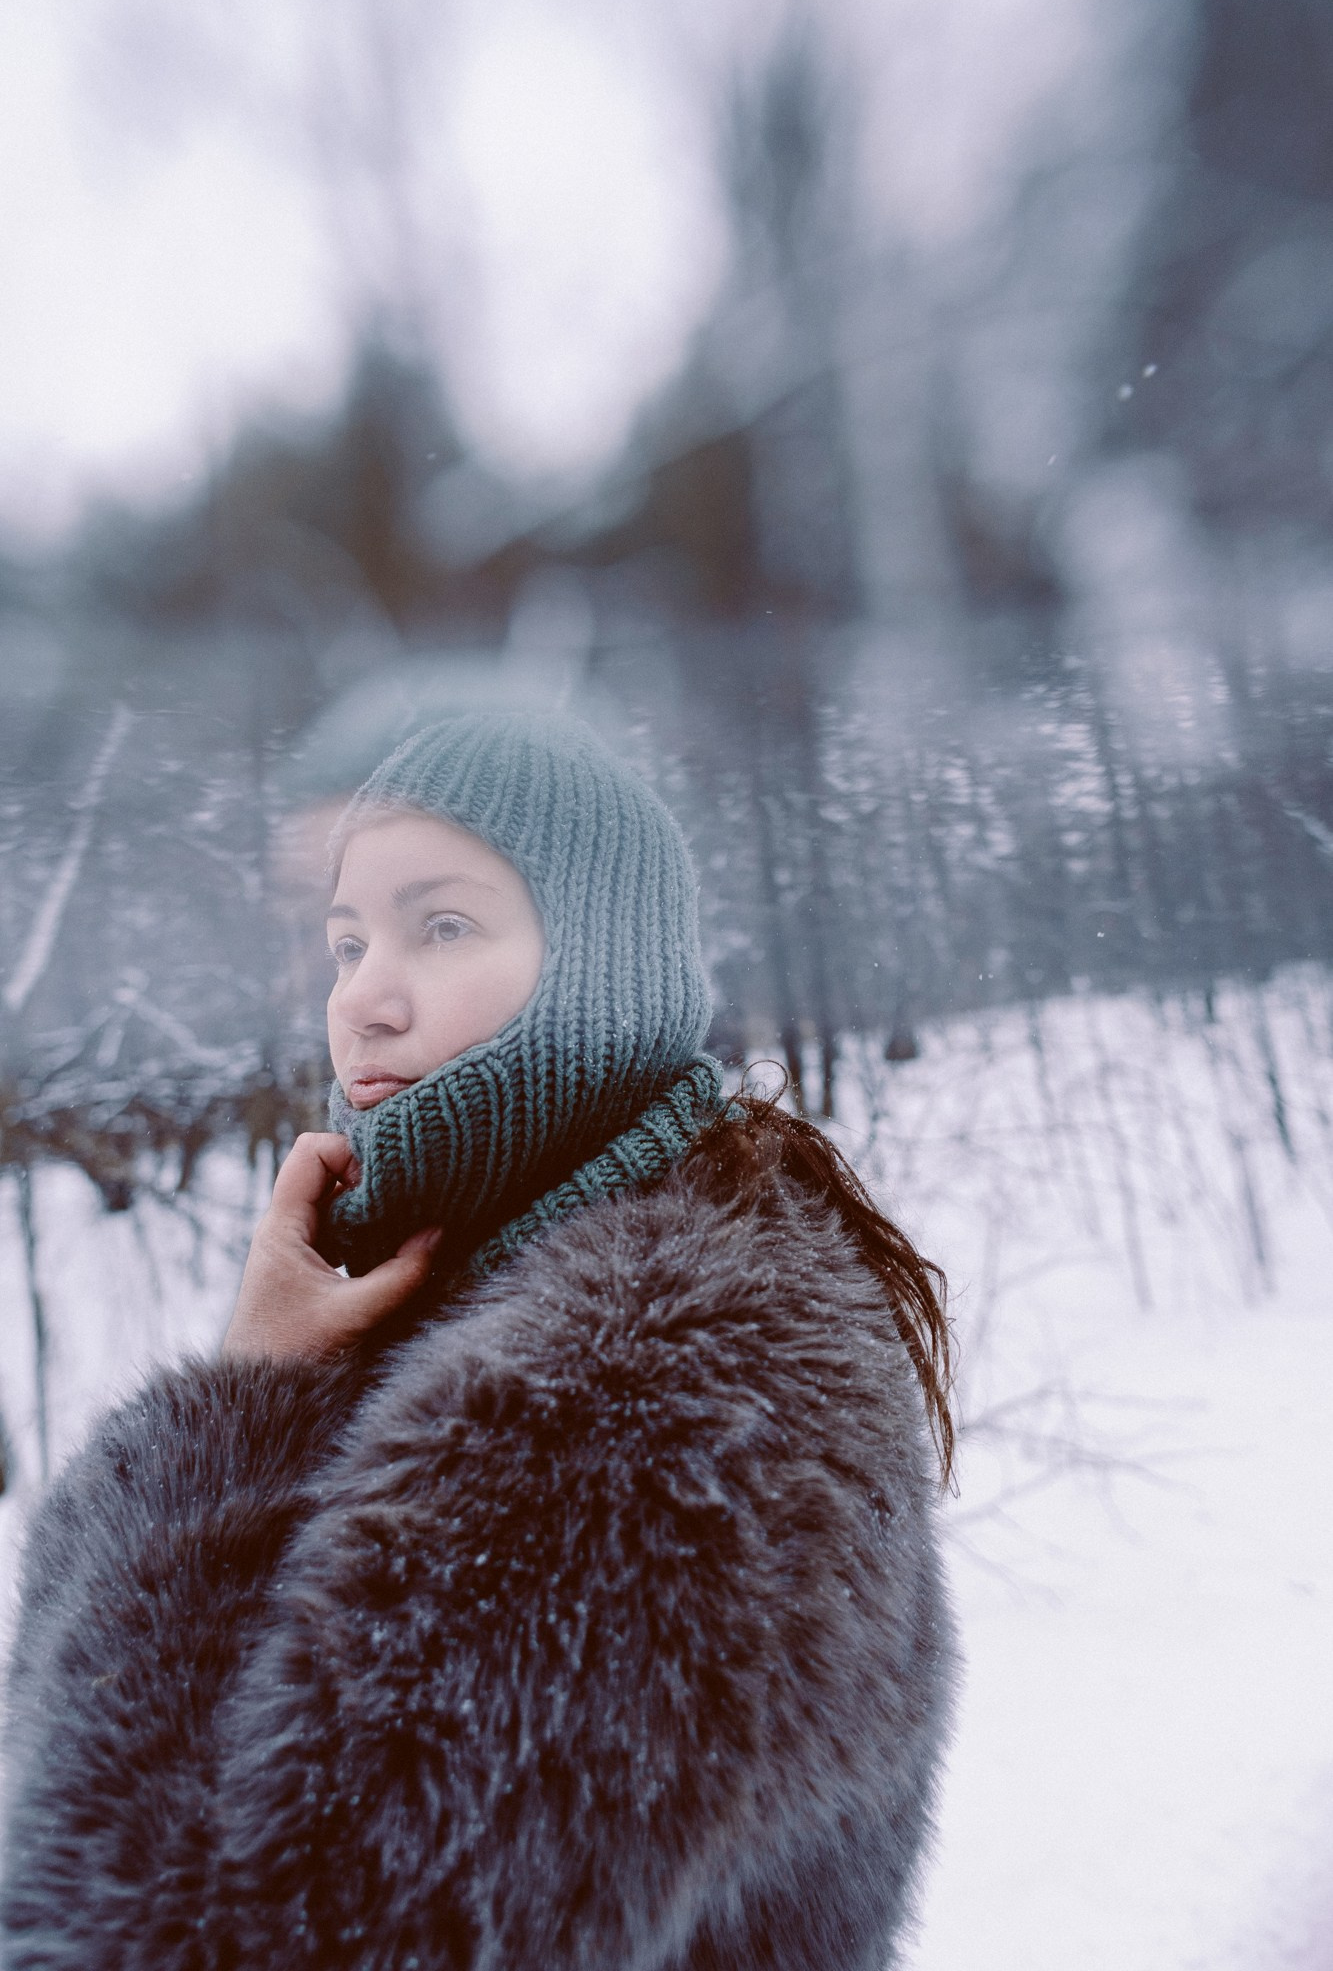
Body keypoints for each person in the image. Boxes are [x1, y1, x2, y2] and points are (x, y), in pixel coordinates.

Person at [2, 711, 958, 1971]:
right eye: (347, 942)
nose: (362, 1001)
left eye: (441, 925)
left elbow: (188, 1941)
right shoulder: (618, 1285)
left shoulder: (631, 1400)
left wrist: (232, 1419)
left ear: (597, 968)